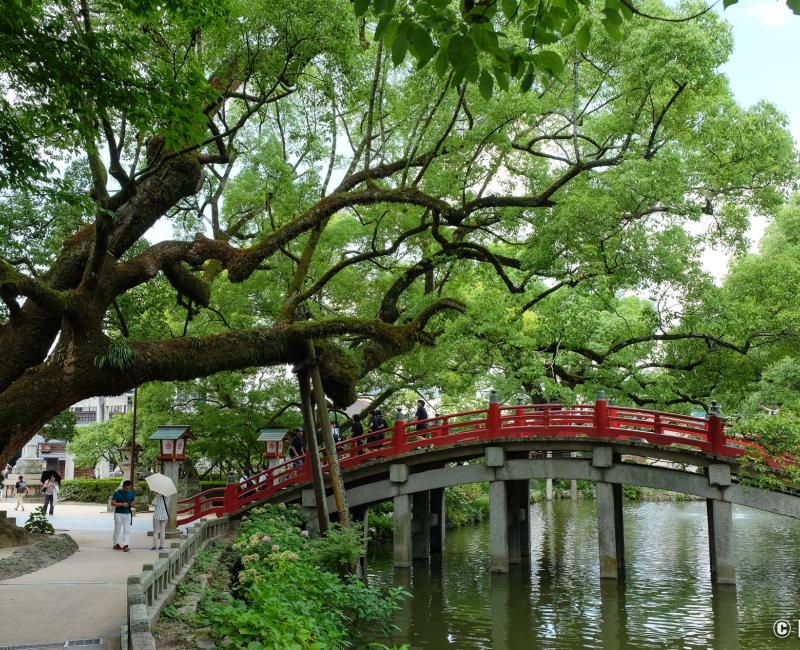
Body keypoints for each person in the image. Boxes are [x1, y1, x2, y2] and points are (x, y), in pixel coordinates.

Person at [111, 480, 136, 552]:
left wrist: (132, 503)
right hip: (118, 513)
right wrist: (121, 504)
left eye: (129, 488)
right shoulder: (117, 493)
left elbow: (134, 501)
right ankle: (115, 544)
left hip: (128, 513)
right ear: (123, 486)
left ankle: (125, 545)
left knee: (126, 530)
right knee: (117, 529)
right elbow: (112, 503)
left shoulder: (131, 493)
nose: (128, 490)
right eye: (127, 488)